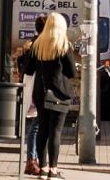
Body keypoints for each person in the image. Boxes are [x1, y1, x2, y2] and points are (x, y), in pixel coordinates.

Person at [24, 13, 77, 180]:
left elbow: (28, 69)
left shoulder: (37, 45)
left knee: (43, 130)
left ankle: (43, 168)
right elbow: (71, 72)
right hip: (59, 93)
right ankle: (53, 170)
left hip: (41, 93)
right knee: (56, 131)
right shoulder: (63, 45)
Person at [19, 14, 47, 176]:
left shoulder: (33, 43)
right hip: (38, 89)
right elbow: (30, 69)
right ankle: (31, 160)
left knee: (38, 125)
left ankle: (34, 160)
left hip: (36, 89)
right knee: (37, 125)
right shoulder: (38, 44)